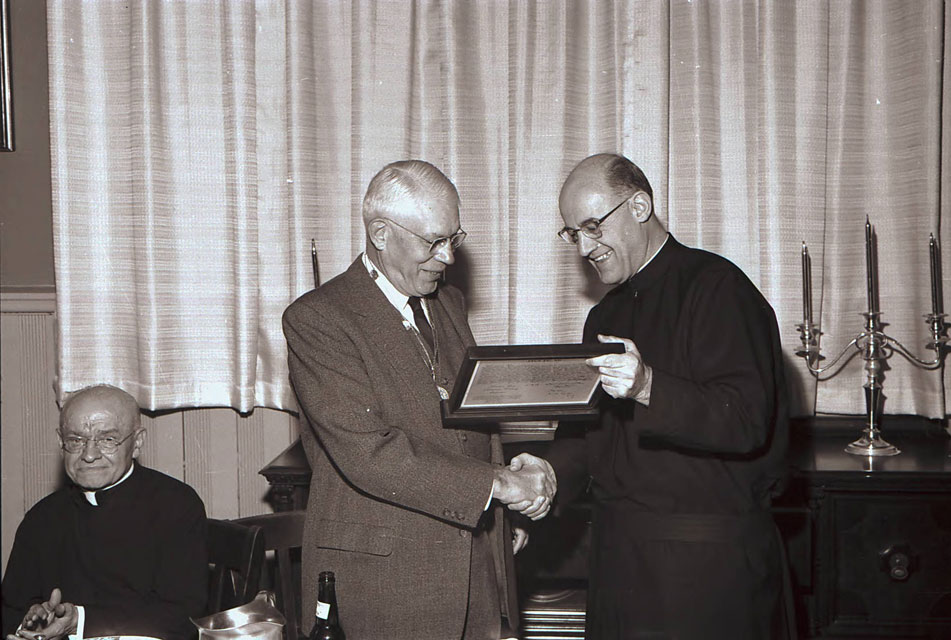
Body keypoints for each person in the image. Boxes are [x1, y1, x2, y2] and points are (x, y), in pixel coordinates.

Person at [283, 160, 556, 640]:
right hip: (385, 581)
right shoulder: (319, 319)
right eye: (433, 241)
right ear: (381, 233)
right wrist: (499, 486)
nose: (448, 257)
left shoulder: (446, 302)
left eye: (455, 238)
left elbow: (471, 419)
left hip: (472, 565)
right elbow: (370, 454)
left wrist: (499, 509)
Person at [546, 153, 791, 639]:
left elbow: (745, 420)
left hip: (704, 577)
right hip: (619, 565)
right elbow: (589, 434)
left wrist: (648, 386)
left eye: (593, 226)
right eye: (574, 233)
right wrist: (546, 473)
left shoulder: (719, 289)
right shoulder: (603, 317)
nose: (583, 249)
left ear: (639, 206)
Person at [2, 384, 208, 640]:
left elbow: (184, 615)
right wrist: (32, 620)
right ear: (60, 442)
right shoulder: (42, 517)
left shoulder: (176, 505)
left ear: (137, 442)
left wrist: (80, 621)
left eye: (107, 440)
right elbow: (11, 607)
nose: (89, 455)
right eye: (75, 440)